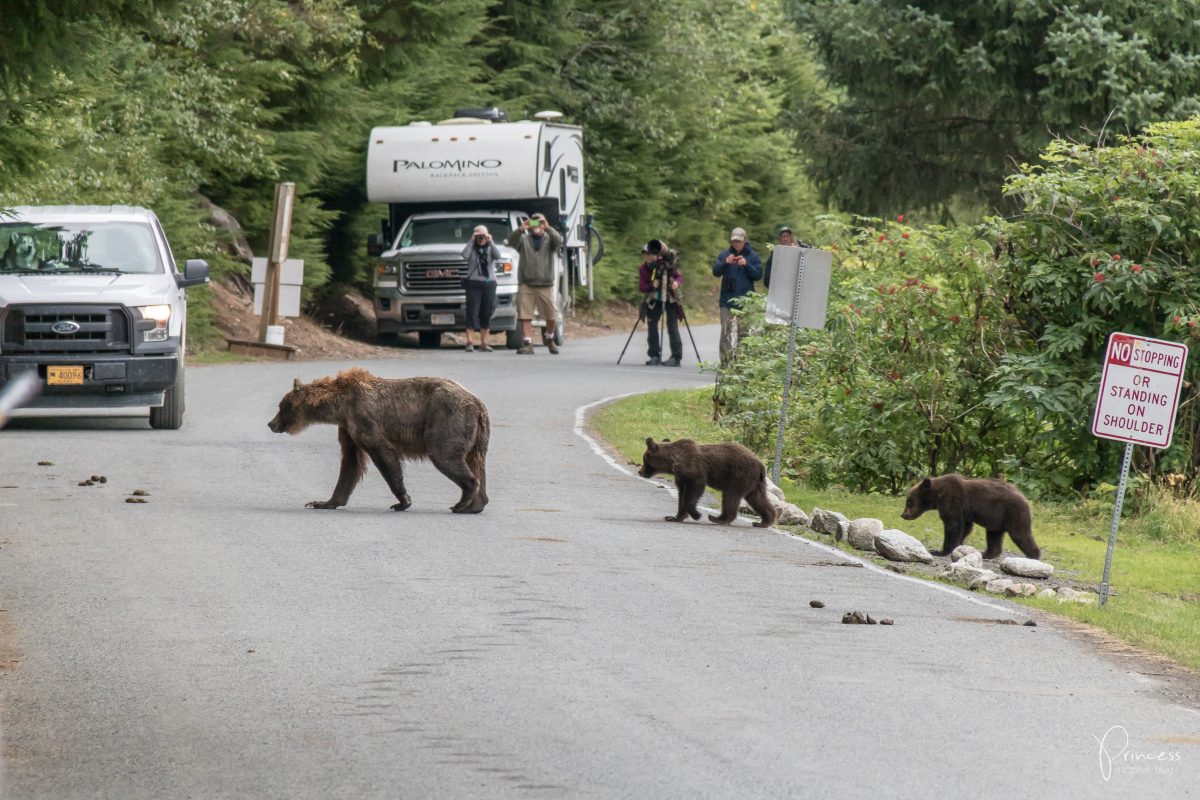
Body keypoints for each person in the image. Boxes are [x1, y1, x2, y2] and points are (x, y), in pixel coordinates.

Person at [506, 212, 563, 355]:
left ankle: (549, 339)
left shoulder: (550, 239)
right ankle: (528, 343)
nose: (537, 225)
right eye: (534, 222)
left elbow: (559, 241)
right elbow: (510, 241)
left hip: (545, 283)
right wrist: (521, 228)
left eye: (540, 222)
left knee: (551, 314)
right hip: (527, 282)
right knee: (525, 315)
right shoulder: (523, 239)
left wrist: (548, 227)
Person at [712, 226, 762, 363]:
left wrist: (746, 265)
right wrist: (725, 263)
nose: (736, 244)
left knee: (744, 333)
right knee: (725, 333)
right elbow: (716, 272)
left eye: (739, 241)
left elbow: (758, 275)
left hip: (745, 302)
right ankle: (726, 362)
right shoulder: (725, 254)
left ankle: (742, 364)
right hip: (726, 301)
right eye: (734, 241)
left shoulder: (753, 256)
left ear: (745, 241)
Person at [639, 239, 684, 366]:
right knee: (652, 326)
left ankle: (676, 357)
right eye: (645, 254)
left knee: (672, 327)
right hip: (654, 299)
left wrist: (676, 283)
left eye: (650, 253)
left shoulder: (665, 264)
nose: (648, 256)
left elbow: (678, 276)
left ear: (655, 254)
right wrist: (651, 285)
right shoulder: (643, 268)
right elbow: (642, 287)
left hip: (670, 297)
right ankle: (654, 355)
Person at [460, 224, 500, 352]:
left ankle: (483, 342)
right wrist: (472, 240)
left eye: (483, 234)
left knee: (486, 312)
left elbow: (498, 256)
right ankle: (470, 342)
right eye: (479, 234)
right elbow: (464, 255)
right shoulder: (471, 247)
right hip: (473, 284)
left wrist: (491, 240)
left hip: (489, 284)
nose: (481, 237)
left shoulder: (490, 248)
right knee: (472, 312)